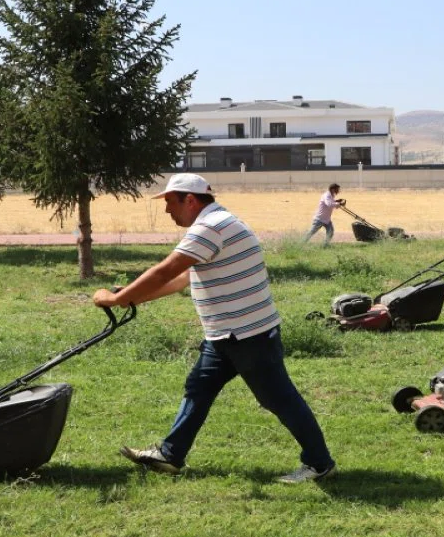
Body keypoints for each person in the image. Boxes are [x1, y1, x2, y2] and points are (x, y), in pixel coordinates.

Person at [93, 173, 337, 484]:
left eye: (170, 202)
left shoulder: (210, 227)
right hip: (226, 334)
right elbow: (181, 280)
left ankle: (319, 463)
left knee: (279, 399)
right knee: (199, 388)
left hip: (248, 335)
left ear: (190, 200)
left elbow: (165, 271)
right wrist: (130, 299)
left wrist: (116, 299)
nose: (167, 210)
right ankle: (171, 455)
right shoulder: (218, 222)